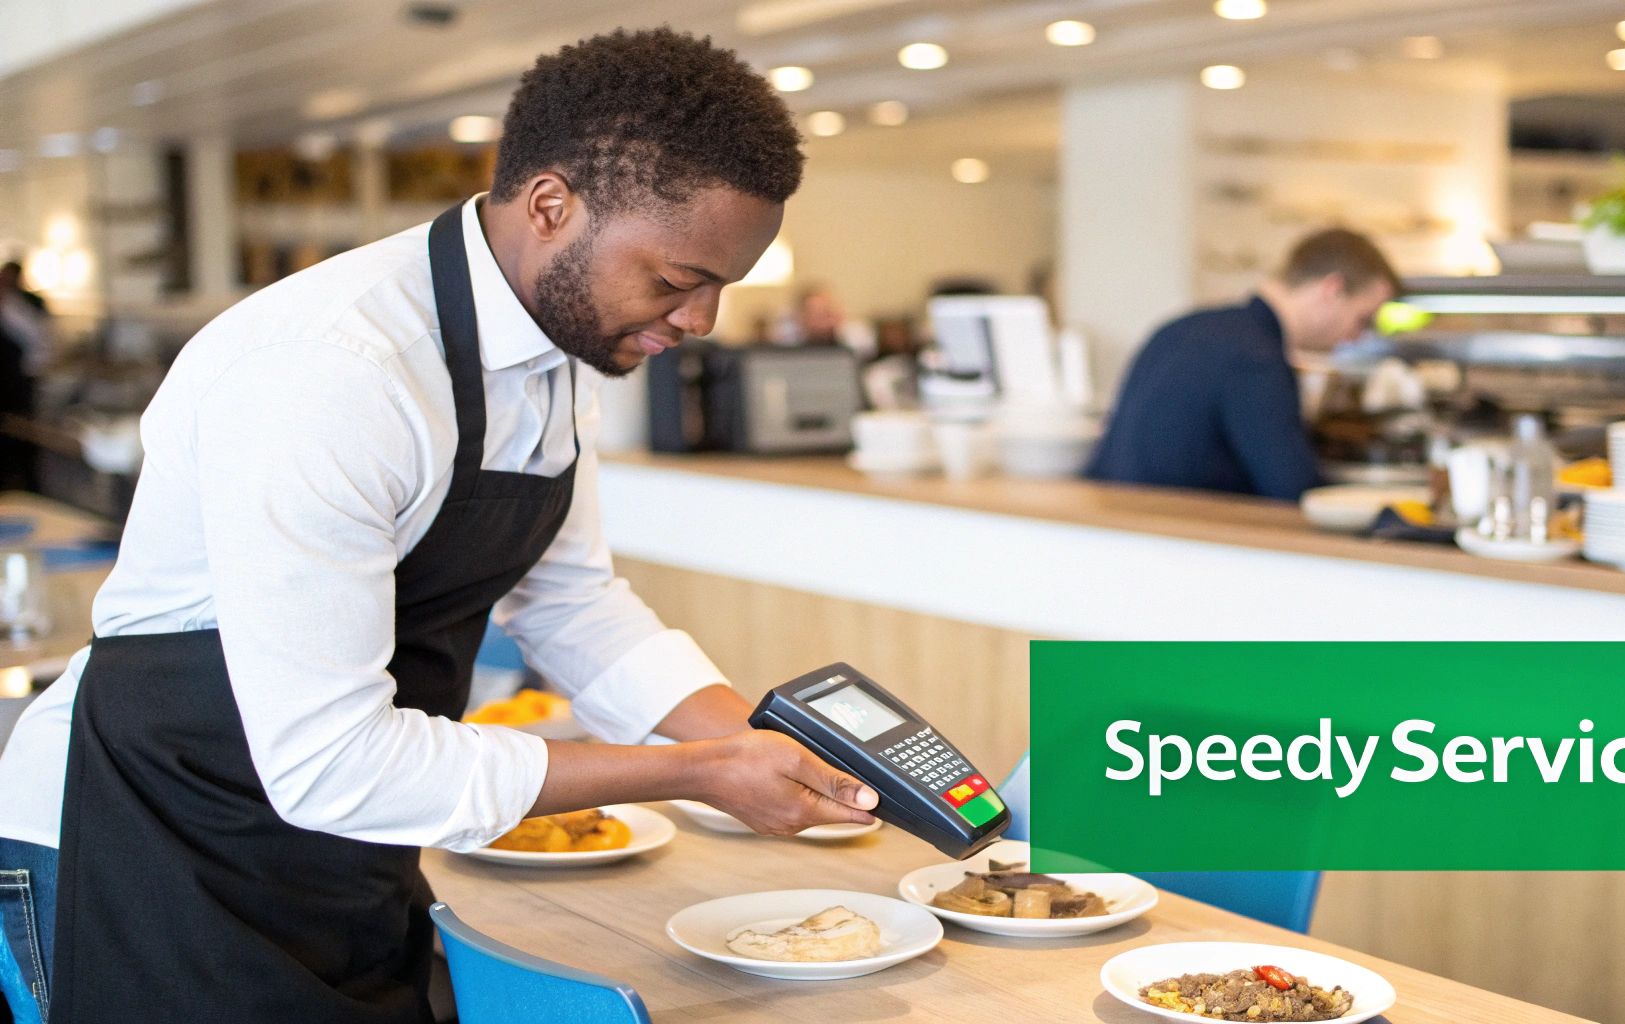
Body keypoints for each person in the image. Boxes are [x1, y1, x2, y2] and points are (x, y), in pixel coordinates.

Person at [0, 29, 879, 1024]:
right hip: (146, 836)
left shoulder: (553, 352)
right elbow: (331, 761)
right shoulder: (335, 371)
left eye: (724, 284)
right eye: (678, 279)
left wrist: (753, 737)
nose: (702, 321)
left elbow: (571, 596)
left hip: (339, 844)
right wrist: (693, 771)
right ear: (551, 207)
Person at [1085, 228, 1399, 501]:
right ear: (1332, 289)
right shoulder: (1256, 359)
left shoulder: (1182, 327)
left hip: (1116, 539)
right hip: (1181, 552)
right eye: (1362, 319)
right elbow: (1293, 490)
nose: (1357, 338)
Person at [0, 260, 50, 490]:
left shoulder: (25, 304)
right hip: (11, 380)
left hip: (17, 380)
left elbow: (38, 340)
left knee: (23, 432)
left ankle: (28, 484)